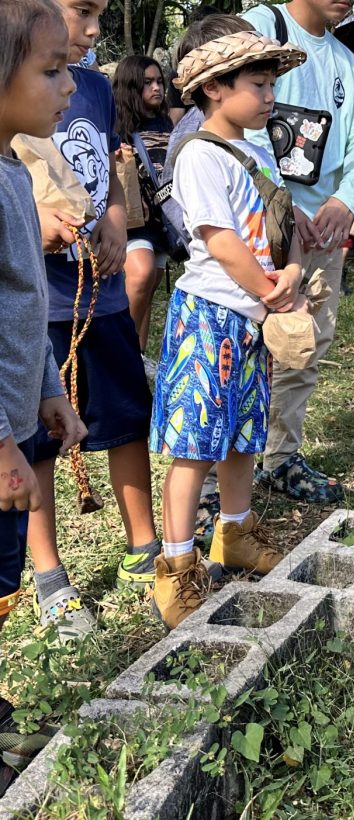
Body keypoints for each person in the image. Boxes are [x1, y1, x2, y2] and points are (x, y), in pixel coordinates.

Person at [149, 30, 306, 629]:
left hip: (250, 319)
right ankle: (176, 564)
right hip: (211, 316)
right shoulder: (199, 154)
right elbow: (221, 240)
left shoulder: (257, 150)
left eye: (272, 85)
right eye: (257, 86)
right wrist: (269, 290)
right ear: (214, 89)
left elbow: (277, 226)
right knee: (194, 445)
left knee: (244, 432)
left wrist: (288, 269)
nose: (269, 97)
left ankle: (235, 531)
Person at [28, 0, 160, 641]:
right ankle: (50, 575)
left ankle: (145, 546)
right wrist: (36, 222)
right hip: (35, 302)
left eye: (102, 13)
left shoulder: (99, 86)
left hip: (99, 292)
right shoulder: (13, 81)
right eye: (82, 10)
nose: (93, 30)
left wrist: (112, 217)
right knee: (37, 440)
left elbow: (107, 168)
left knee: (126, 414)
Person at [0, 0, 87, 791]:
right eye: (51, 70)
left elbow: (23, 304)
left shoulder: (11, 175)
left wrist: (52, 388)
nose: (69, 85)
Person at [242, 0, 354, 504]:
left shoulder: (345, 59)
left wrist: (345, 199)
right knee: (238, 347)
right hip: (257, 226)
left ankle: (280, 458)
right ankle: (215, 476)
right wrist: (278, 198)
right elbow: (236, 126)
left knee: (304, 343)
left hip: (322, 231)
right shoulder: (261, 27)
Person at [112, 55, 174, 359]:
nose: (156, 88)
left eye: (159, 81)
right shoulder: (115, 125)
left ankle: (136, 357)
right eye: (147, 82)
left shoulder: (168, 121)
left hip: (164, 220)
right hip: (135, 221)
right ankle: (122, 354)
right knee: (140, 275)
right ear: (131, 87)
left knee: (147, 289)